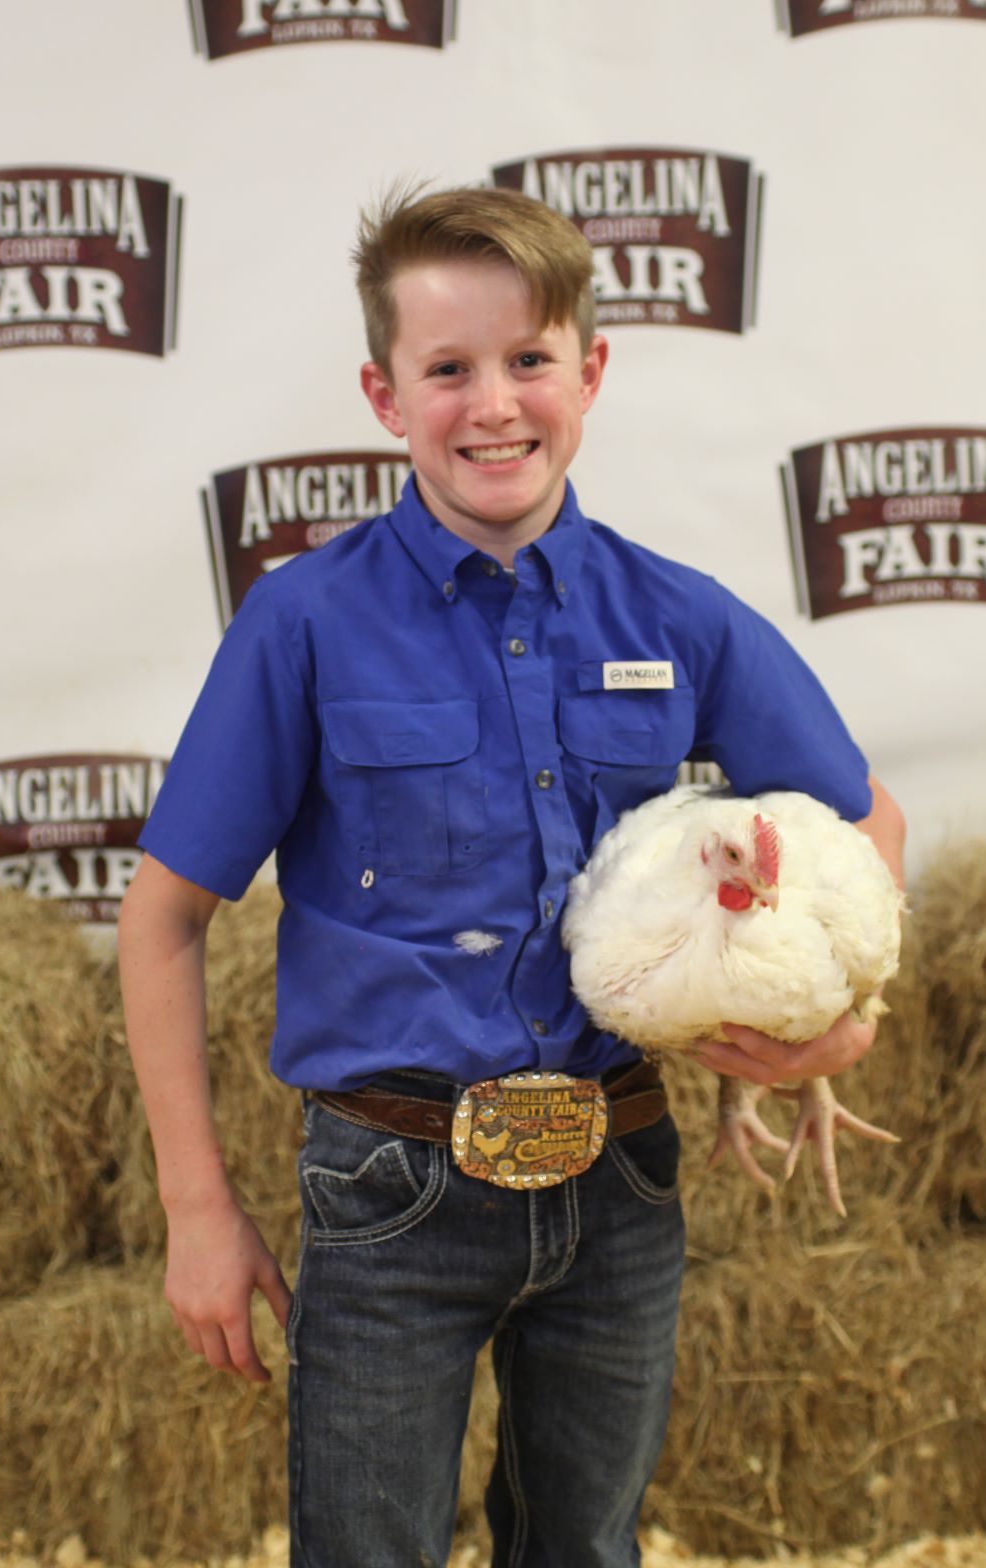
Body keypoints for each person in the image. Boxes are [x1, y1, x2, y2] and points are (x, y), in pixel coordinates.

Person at [118, 184, 904, 1568]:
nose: (493, 405)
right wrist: (197, 1207)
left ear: (587, 372)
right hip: (391, 1189)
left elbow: (861, 821)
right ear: (383, 393)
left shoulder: (676, 612)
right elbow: (162, 920)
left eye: (528, 360)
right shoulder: (304, 621)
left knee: (583, 1550)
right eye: (448, 370)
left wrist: (837, 1023)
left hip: (621, 1184)